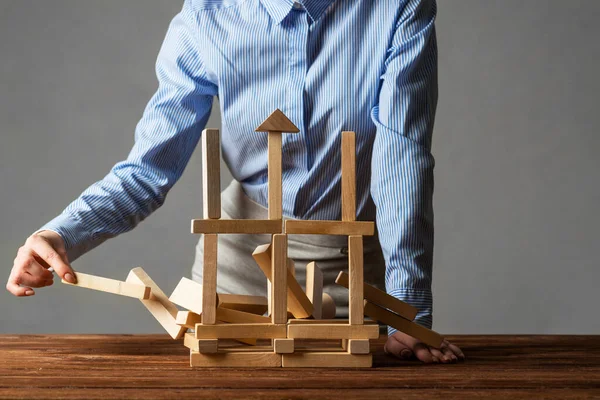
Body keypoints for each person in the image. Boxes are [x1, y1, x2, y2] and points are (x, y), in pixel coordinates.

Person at [6, 0, 464, 363]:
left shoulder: (399, 6)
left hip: (346, 272)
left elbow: (402, 159)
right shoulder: (206, 16)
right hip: (233, 268)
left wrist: (409, 311)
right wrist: (63, 233)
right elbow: (148, 169)